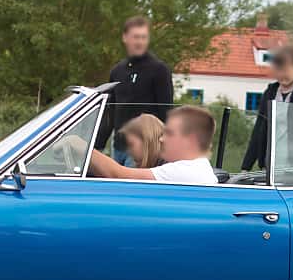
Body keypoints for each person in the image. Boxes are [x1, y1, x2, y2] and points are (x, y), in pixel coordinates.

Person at [240, 44, 293, 173]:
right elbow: (259, 130)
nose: (282, 75)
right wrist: (246, 167)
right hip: (270, 167)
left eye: (286, 70)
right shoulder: (269, 93)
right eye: (279, 70)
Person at [87, 106, 219, 184]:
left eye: (169, 133)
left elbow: (117, 175)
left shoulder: (186, 171)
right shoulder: (197, 168)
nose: (161, 139)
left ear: (190, 140)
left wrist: (83, 148)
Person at [104, 16, 173, 159]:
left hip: (144, 150)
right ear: (125, 38)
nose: (140, 42)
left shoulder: (160, 70)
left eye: (143, 37)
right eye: (136, 37)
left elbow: (166, 112)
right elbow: (110, 112)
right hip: (118, 148)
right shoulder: (117, 71)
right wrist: (98, 145)